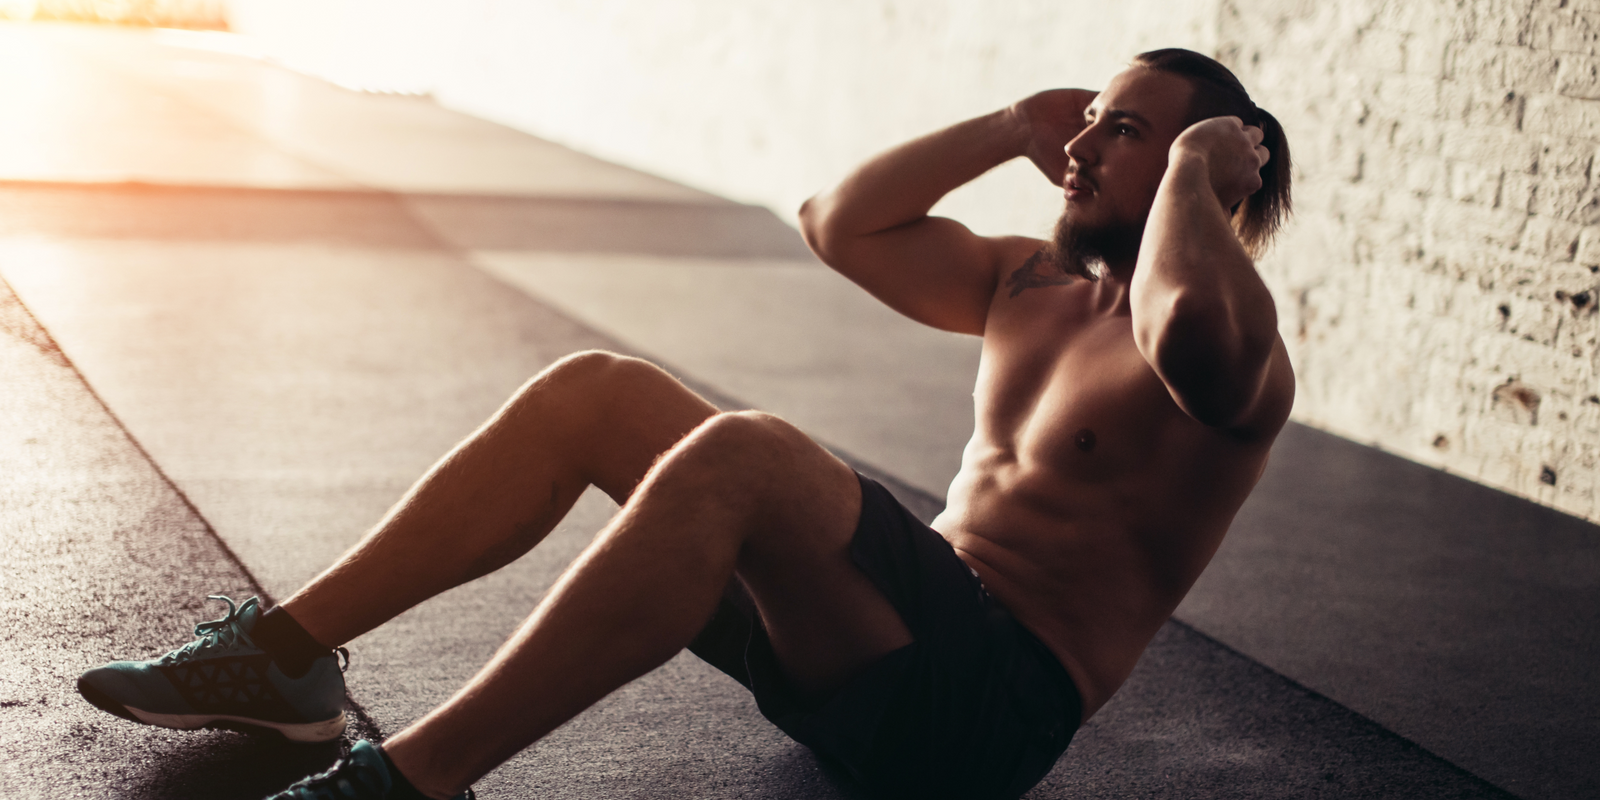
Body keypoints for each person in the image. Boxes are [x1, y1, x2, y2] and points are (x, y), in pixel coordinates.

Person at [77, 48, 1294, 800]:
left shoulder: (1234, 342)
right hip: (871, 647)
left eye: (1118, 130)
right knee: (599, 389)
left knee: (745, 454)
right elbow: (838, 222)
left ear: (1206, 168)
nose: (1082, 145)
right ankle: (288, 652)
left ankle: (407, 779)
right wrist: (1005, 128)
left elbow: (1183, 331)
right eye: (1092, 120)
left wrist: (1192, 169)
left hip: (978, 718)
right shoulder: (1029, 281)